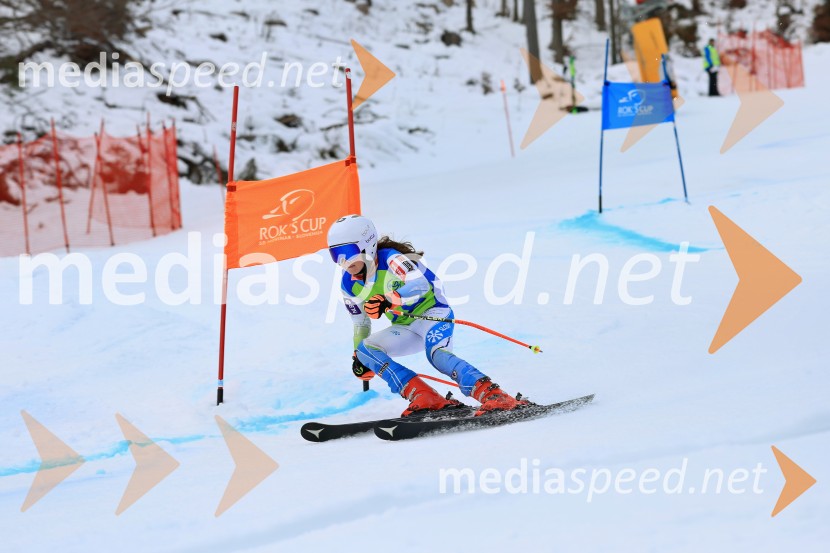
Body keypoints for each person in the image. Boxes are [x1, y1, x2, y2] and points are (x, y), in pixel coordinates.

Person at [327, 214, 529, 417]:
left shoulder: (391, 259)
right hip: (405, 326)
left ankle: (494, 395)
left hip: (433, 314)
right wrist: (359, 359)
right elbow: (360, 323)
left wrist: (390, 300)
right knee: (366, 350)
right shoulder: (348, 283)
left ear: (366, 245)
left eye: (347, 252)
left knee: (438, 356)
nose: (343, 262)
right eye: (335, 255)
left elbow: (420, 285)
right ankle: (425, 396)